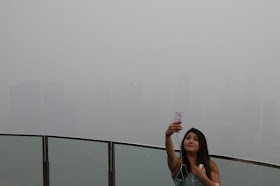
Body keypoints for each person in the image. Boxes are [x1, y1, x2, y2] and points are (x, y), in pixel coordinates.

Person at [165, 122, 221, 186]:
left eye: (195, 139)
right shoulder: (178, 164)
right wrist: (168, 135)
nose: (191, 141)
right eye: (188, 138)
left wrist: (203, 177)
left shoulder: (210, 165)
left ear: (201, 145)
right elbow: (170, 153)